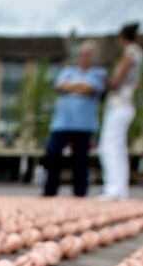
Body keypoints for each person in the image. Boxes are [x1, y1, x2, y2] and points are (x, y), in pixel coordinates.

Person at [43, 40, 106, 198]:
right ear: (78, 56)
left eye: (88, 55)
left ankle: (80, 192)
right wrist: (80, 87)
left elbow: (91, 89)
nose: (85, 57)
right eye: (83, 54)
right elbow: (60, 86)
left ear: (93, 57)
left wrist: (71, 87)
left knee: (80, 159)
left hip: (84, 124)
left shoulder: (99, 73)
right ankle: (50, 190)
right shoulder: (68, 71)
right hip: (61, 123)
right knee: (53, 155)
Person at [99, 22, 143, 200]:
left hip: (119, 104)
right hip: (127, 103)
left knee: (109, 146)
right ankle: (121, 189)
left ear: (122, 38)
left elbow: (116, 82)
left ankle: (113, 188)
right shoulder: (139, 53)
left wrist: (105, 79)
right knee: (119, 147)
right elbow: (136, 84)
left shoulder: (130, 53)